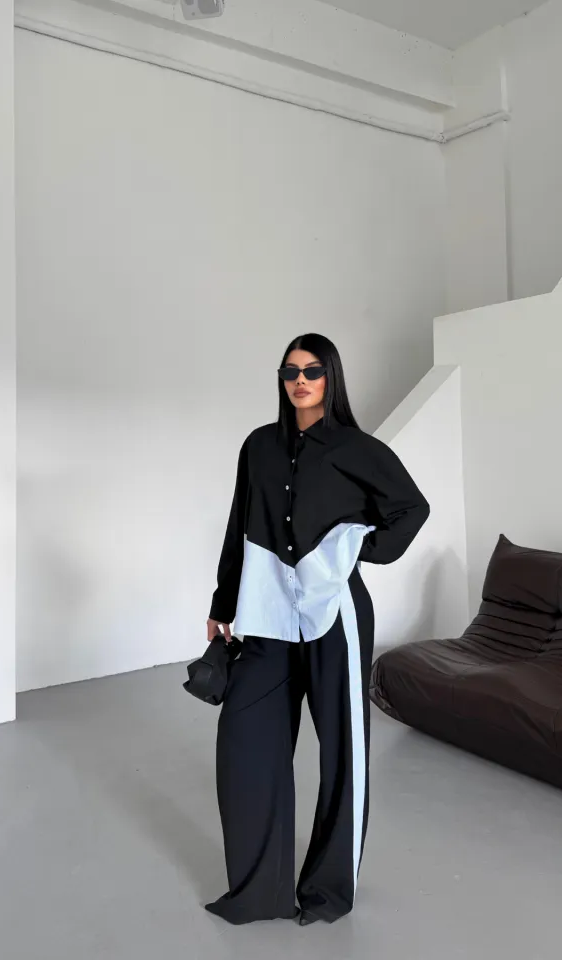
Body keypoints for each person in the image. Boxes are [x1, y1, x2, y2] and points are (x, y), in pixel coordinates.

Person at [205, 333, 429, 927]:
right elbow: (238, 525)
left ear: (331, 377)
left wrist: (355, 551)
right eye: (290, 371)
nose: (300, 381)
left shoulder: (358, 448)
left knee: (343, 754)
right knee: (245, 743)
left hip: (338, 618)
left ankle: (328, 891)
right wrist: (223, 603)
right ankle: (260, 891)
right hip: (267, 617)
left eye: (312, 370)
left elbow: (412, 508)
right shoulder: (258, 446)